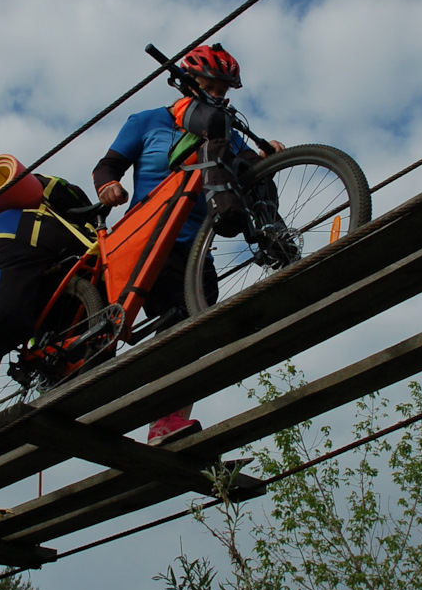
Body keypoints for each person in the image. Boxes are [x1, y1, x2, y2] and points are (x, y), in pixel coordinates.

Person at [92, 43, 283, 445]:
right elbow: (108, 165)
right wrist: (109, 186)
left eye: (225, 90)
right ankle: (156, 415)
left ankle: (167, 422)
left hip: (198, 248)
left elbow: (249, 163)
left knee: (195, 332)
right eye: (211, 86)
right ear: (189, 82)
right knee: (180, 322)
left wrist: (269, 152)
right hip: (150, 239)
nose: (218, 95)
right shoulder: (149, 121)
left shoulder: (225, 134)